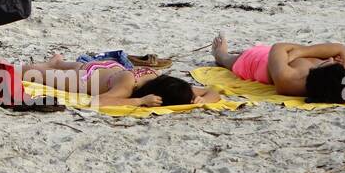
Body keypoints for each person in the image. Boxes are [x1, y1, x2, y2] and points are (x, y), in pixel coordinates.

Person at [21, 54, 220, 108]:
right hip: (85, 78)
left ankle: (57, 61)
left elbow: (214, 90)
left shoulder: (163, 80)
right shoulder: (128, 86)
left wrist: (205, 99)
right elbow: (98, 102)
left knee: (62, 66)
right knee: (36, 74)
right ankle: (13, 67)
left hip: (103, 67)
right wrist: (139, 101)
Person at [211, 36, 345, 103]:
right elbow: (341, 49)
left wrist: (294, 53)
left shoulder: (289, 80)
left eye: (327, 63)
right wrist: (299, 53)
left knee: (227, 60)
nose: (330, 59)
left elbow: (278, 47)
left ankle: (219, 53)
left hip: (258, 62)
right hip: (284, 58)